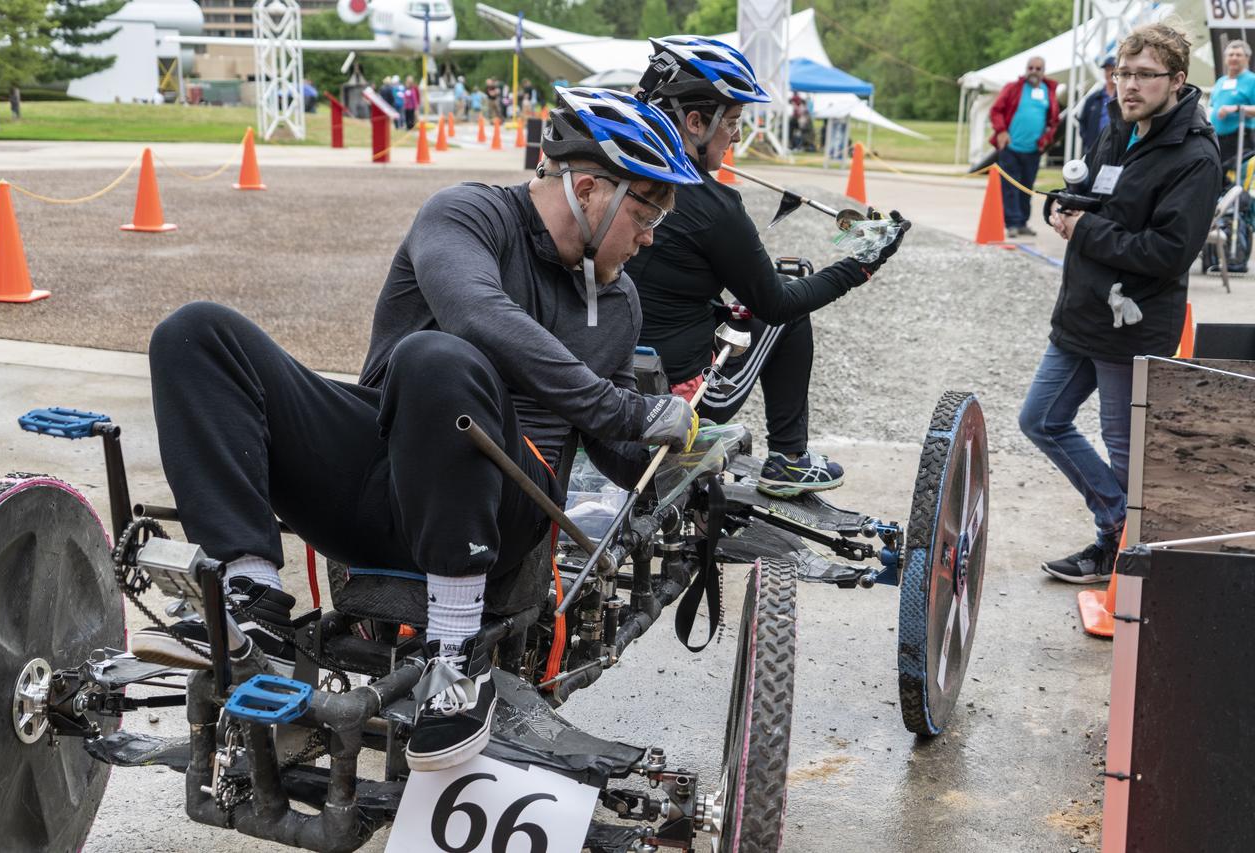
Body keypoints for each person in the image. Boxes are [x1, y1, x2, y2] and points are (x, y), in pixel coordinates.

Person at [132, 87, 703, 770]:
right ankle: (255, 606)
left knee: (435, 361)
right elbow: (475, 312)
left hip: (504, 516)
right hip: (377, 488)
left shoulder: (618, 303)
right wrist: (624, 408)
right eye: (648, 211)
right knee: (195, 333)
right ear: (589, 187)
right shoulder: (465, 215)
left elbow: (613, 449)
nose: (651, 236)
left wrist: (681, 457)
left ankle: (455, 655)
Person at [625, 36, 909, 497]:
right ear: (694, 121)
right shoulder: (714, 205)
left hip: (600, 379)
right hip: (678, 396)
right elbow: (776, 305)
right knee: (789, 299)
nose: (737, 136)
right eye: (733, 122)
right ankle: (790, 460)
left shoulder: (612, 175)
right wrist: (862, 263)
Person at [1022, 23, 1220, 583]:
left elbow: (1168, 252)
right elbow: (1091, 193)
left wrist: (1083, 230)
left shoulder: (1195, 156)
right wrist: (1060, 206)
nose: (1128, 86)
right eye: (1121, 74)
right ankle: (1118, 528)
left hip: (1132, 324)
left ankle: (1134, 559)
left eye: (1143, 75)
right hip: (1082, 313)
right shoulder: (1120, 128)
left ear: (1177, 80)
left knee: (1125, 449)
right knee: (1040, 419)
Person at [989, 56, 1060, 238]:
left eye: (1038, 68)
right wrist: (1001, 131)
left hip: (1033, 151)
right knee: (1010, 188)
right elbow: (996, 110)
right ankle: (1012, 223)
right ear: (1026, 69)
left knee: (1026, 187)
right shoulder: (1013, 88)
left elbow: (1053, 121)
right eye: (1031, 67)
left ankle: (1022, 222)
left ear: (1043, 72)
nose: (1034, 71)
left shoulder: (1048, 92)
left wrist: (1046, 138)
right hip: (1011, 148)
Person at [1208, 39, 1255, 168]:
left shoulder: (1252, 81)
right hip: (1217, 139)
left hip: (1240, 140)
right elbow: (1212, 106)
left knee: (1235, 180)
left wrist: (1236, 108)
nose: (1234, 58)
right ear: (1225, 58)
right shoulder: (1221, 81)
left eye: (1238, 55)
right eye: (1230, 54)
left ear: (1247, 58)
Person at [1078, 56, 1117, 151]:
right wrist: (1089, 143)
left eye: (1113, 69)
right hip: (1095, 149)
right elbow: (1082, 122)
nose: (1110, 73)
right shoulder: (1092, 99)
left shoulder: (1125, 98)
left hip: (1117, 148)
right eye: (1107, 70)